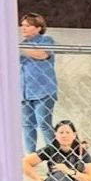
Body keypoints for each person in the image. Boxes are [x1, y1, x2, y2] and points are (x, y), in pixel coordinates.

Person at [23, 120, 91, 181]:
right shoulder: (50, 149)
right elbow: (24, 162)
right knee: (59, 176)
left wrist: (69, 171)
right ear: (56, 135)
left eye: (68, 132)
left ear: (74, 135)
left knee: (62, 176)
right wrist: (38, 180)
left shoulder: (81, 152)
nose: (64, 135)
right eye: (61, 132)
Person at [19, 13, 57, 155]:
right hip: (25, 92)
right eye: (22, 25)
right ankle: (30, 157)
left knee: (44, 125)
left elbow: (42, 55)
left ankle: (55, 158)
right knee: (27, 125)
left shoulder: (46, 40)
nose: (23, 29)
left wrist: (17, 48)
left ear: (38, 28)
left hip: (44, 91)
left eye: (27, 26)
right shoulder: (21, 45)